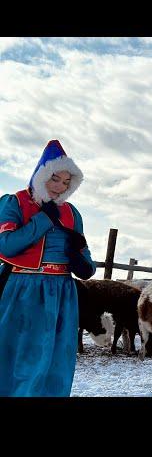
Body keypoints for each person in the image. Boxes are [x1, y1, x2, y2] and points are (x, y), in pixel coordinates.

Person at [0, 140, 96, 397]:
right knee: (20, 360)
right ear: (41, 174)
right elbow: (6, 246)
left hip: (63, 293)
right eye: (55, 178)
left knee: (57, 362)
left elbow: (87, 263)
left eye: (66, 182)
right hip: (24, 290)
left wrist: (79, 259)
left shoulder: (73, 213)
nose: (60, 187)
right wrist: (44, 219)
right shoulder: (15, 202)